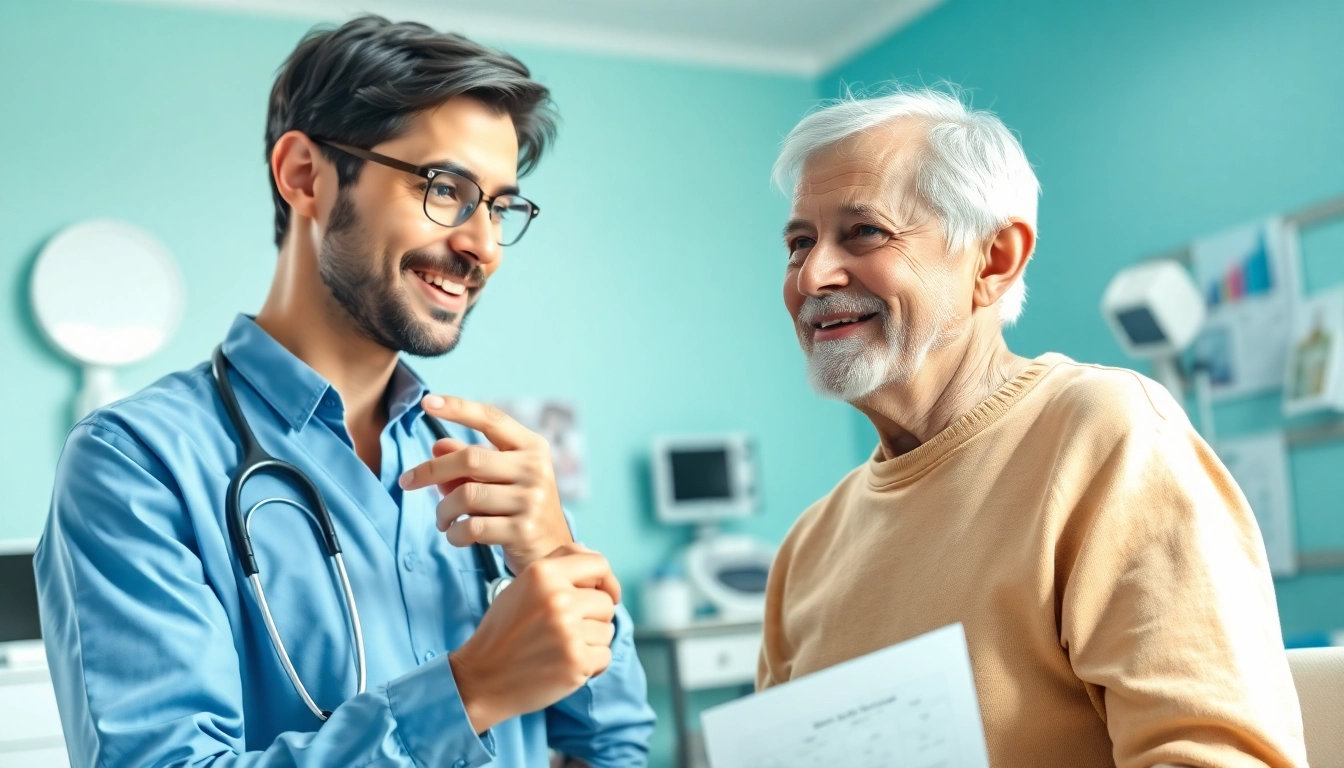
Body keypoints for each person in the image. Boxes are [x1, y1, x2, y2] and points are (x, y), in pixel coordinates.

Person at [35, 16, 654, 768]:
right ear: (304, 175)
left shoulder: (482, 465)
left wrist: (555, 554)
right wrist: (472, 689)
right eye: (445, 188)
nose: (483, 245)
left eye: (498, 206)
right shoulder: (137, 464)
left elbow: (615, 746)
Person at [759, 87, 1307, 767]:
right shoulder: (806, 549)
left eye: (864, 231)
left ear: (993, 261)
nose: (813, 274)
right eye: (798, 243)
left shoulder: (1106, 436)